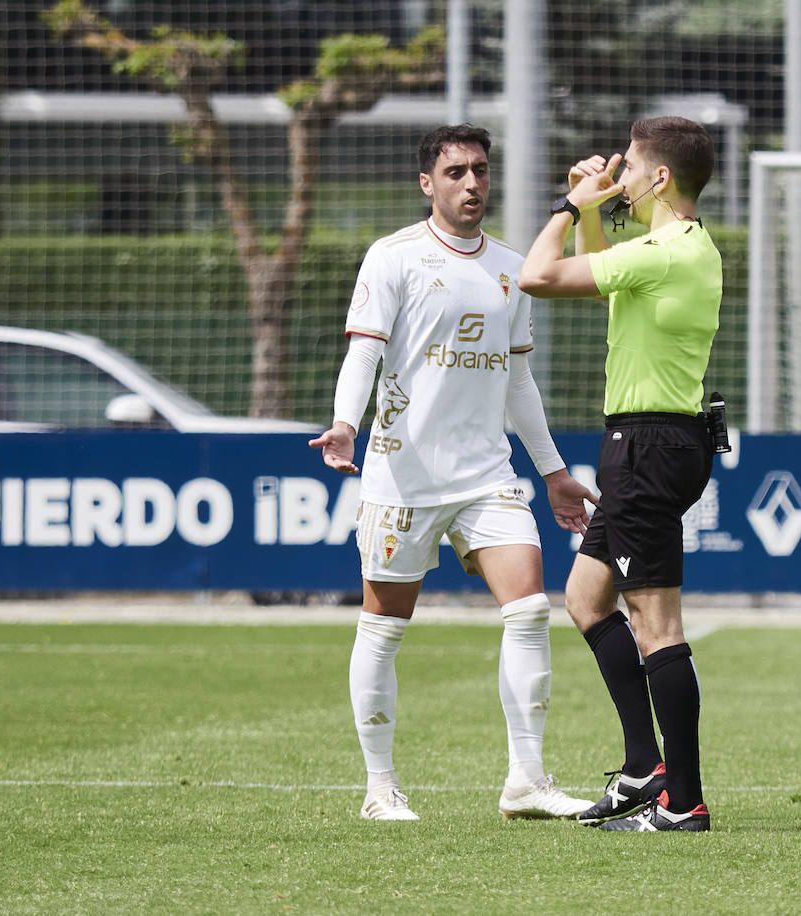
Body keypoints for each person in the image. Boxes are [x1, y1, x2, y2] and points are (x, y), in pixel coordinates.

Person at [308, 124, 600, 823]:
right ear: (427, 183)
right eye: (457, 172)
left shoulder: (511, 266)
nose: (473, 184)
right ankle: (380, 788)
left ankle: (526, 780)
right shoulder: (393, 257)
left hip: (486, 476)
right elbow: (364, 357)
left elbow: (518, 379)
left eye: (481, 171)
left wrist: (554, 471)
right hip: (402, 476)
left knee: (529, 608)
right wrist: (347, 422)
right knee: (384, 625)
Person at [518, 116, 723, 832]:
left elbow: (536, 277)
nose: (623, 178)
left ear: (661, 177)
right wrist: (595, 208)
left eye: (632, 168)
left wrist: (569, 206)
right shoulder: (678, 248)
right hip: (650, 442)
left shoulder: (663, 252)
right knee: (585, 598)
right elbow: (603, 280)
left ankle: (684, 802)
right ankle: (646, 768)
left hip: (647, 447)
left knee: (656, 625)